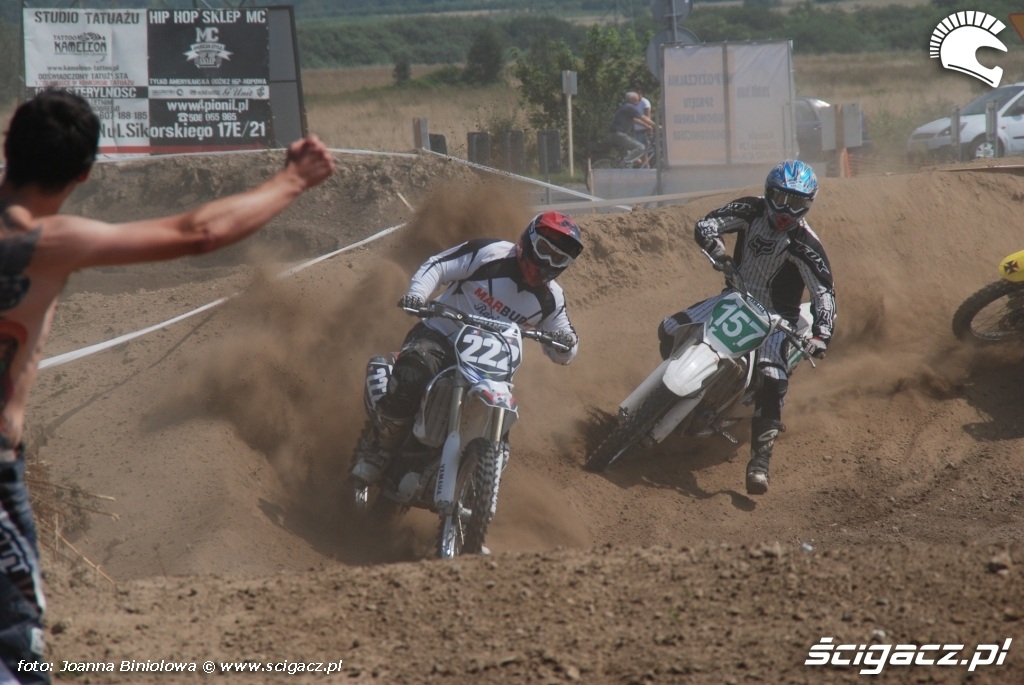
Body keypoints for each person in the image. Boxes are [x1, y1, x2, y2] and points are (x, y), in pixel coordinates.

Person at [0, 88, 335, 684]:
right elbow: (200, 232)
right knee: (17, 654)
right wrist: (292, 180)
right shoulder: (44, 245)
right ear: (84, 173)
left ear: (8, 148)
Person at [350, 211, 583, 485]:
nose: (548, 262)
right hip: (440, 336)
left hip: (491, 365)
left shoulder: (553, 298)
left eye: (558, 258)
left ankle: (479, 475)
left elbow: (565, 343)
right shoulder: (491, 253)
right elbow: (439, 266)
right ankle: (379, 451)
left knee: (502, 413)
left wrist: (566, 345)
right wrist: (417, 294)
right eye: (544, 250)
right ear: (529, 239)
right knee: (413, 371)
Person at [657, 160, 836, 496]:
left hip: (776, 321)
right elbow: (708, 224)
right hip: (735, 299)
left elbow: (824, 294)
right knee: (669, 329)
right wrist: (716, 249)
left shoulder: (806, 245)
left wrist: (821, 334)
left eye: (796, 203)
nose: (786, 210)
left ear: (807, 204)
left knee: (773, 378)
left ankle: (759, 462)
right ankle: (666, 396)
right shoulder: (751, 209)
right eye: (781, 198)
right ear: (769, 193)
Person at [608, 92, 655, 168]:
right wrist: (656, 126)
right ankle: (624, 162)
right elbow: (643, 117)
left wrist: (648, 126)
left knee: (636, 159)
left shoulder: (624, 107)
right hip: (619, 134)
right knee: (641, 148)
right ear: (632, 100)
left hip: (613, 134)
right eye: (637, 100)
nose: (638, 103)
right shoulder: (630, 107)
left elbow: (635, 120)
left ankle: (625, 165)